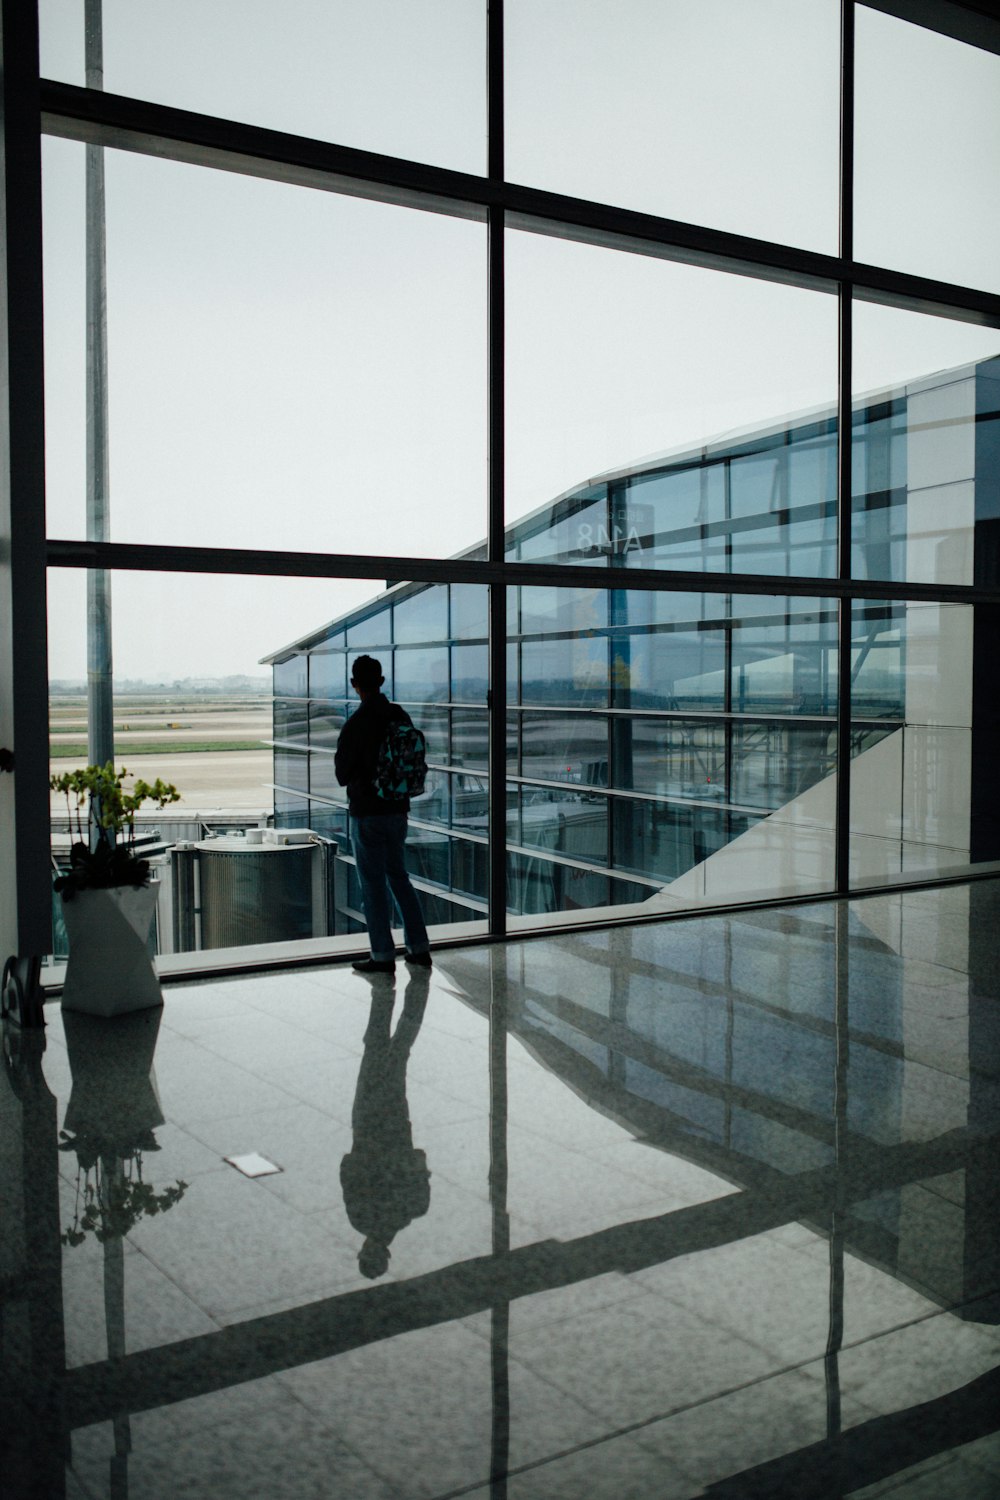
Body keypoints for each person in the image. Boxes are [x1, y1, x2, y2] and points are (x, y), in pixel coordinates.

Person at [334, 654, 431, 974]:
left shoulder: (357, 723)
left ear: (354, 684)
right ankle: (419, 948)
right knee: (399, 877)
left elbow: (342, 774)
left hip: (368, 812)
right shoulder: (398, 714)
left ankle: (382, 955)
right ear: (382, 681)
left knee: (372, 885)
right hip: (398, 809)